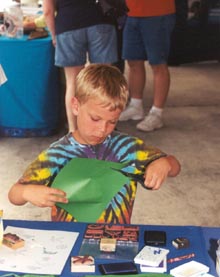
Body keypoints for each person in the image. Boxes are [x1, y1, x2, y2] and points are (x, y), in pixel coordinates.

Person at [8, 64, 181, 224]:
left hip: (115, 242)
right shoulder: (57, 154)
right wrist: (27, 192)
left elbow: (175, 167)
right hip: (69, 242)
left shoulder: (128, 149)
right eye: (95, 119)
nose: (102, 129)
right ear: (75, 106)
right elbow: (14, 194)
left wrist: (163, 163)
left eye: (112, 121)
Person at [43, 0, 118, 133]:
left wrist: (54, 35)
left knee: (73, 82)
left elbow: (47, 11)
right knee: (103, 79)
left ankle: (74, 132)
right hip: (100, 19)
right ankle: (104, 129)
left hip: (69, 23)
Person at [119, 0, 176, 132]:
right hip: (132, 12)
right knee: (133, 61)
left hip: (158, 12)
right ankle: (135, 105)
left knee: (158, 64)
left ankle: (157, 113)